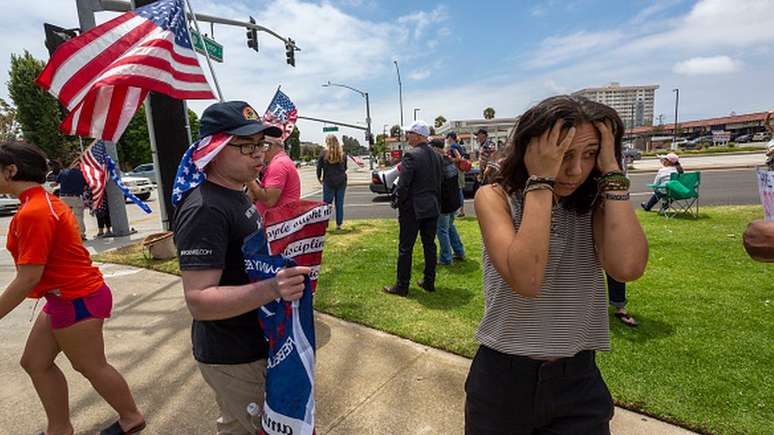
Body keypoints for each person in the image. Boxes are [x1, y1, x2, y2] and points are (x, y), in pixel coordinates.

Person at [466, 95, 648, 434]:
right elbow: (528, 280)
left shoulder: (594, 203)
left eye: (589, 154)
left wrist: (611, 170)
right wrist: (541, 182)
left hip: (577, 379)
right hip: (502, 378)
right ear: (532, 149)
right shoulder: (495, 197)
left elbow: (628, 267)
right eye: (563, 154)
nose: (576, 170)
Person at [173, 101, 311, 434]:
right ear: (214, 149)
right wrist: (272, 288)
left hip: (256, 340)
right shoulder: (205, 209)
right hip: (232, 354)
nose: (258, 155)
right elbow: (199, 301)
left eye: (261, 144)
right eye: (246, 146)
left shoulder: (237, 194)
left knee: (237, 427)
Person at [0, 141, 145, 435]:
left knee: (91, 366)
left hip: (77, 297)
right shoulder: (37, 203)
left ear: (11, 171)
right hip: (65, 297)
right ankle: (60, 428)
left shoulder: (35, 211)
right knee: (35, 362)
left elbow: (28, 277)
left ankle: (131, 418)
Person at [384, 120, 443, 296]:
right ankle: (429, 281)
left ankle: (402, 285)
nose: (407, 136)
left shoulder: (411, 156)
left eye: (409, 133)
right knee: (429, 246)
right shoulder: (437, 155)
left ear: (417, 135)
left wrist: (397, 201)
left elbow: (403, 185)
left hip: (413, 208)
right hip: (432, 206)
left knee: (405, 248)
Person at [247, 135, 301, 216]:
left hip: (276, 220)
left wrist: (249, 181)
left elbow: (269, 201)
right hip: (282, 217)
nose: (261, 151)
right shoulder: (282, 161)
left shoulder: (278, 164)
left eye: (262, 146)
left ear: (269, 146)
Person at [430, 138, 465, 265]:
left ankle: (446, 258)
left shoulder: (438, 163)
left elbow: (436, 184)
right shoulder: (449, 160)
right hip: (454, 201)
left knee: (442, 230)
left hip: (444, 203)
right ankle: (459, 251)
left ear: (435, 148)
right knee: (449, 227)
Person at [317, 135, 348, 230]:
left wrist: (319, 178)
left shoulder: (323, 154)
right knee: (339, 204)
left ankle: (324, 224)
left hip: (328, 181)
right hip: (341, 181)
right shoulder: (342, 154)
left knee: (326, 204)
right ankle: (339, 224)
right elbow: (345, 168)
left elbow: (319, 168)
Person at [55, 161, 87, 240]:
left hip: (64, 197)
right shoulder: (82, 174)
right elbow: (85, 186)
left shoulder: (63, 172)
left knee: (64, 217)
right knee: (78, 216)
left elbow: (56, 183)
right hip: (76, 197)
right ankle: (80, 235)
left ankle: (66, 235)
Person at [446, 131, 467, 217]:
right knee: (459, 190)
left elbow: (458, 158)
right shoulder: (458, 145)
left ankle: (461, 211)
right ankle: (460, 210)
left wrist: (450, 159)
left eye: (448, 137)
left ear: (451, 138)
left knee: (458, 190)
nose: (447, 139)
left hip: (456, 170)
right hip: (460, 170)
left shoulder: (453, 146)